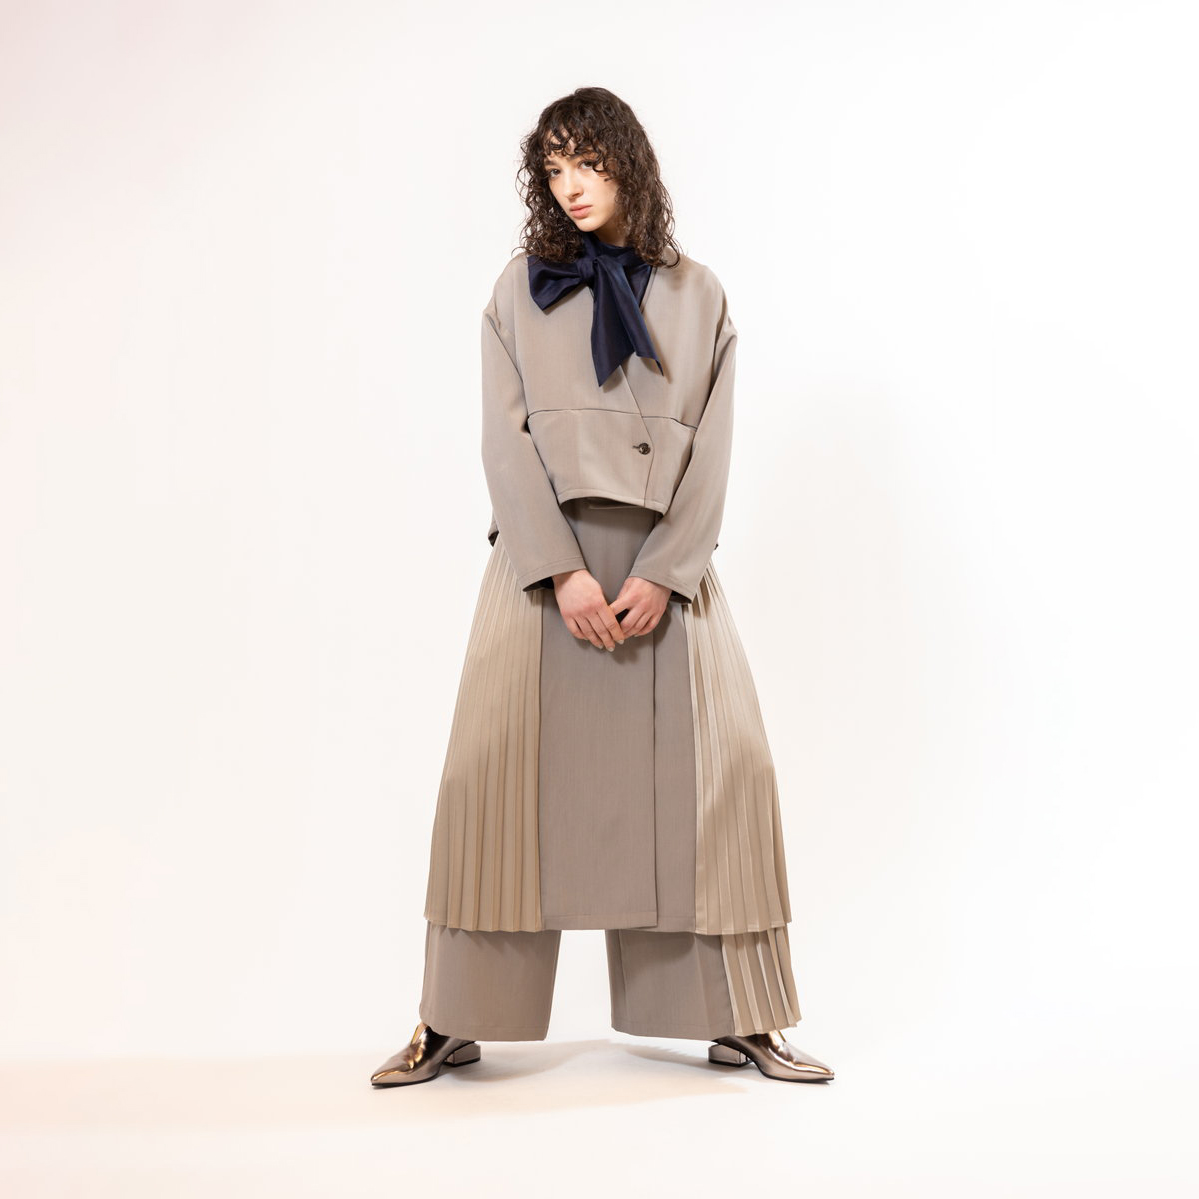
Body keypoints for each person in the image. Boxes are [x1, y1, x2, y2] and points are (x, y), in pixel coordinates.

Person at [371, 86, 834, 1088]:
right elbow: (502, 442)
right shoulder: (518, 289)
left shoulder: (699, 294)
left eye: (586, 161)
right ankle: (451, 1016)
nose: (570, 186)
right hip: (543, 573)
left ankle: (739, 1016)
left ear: (628, 160)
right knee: (489, 786)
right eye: (552, 170)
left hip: (666, 569)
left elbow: (713, 449)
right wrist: (560, 569)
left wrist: (666, 572)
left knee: (720, 782)